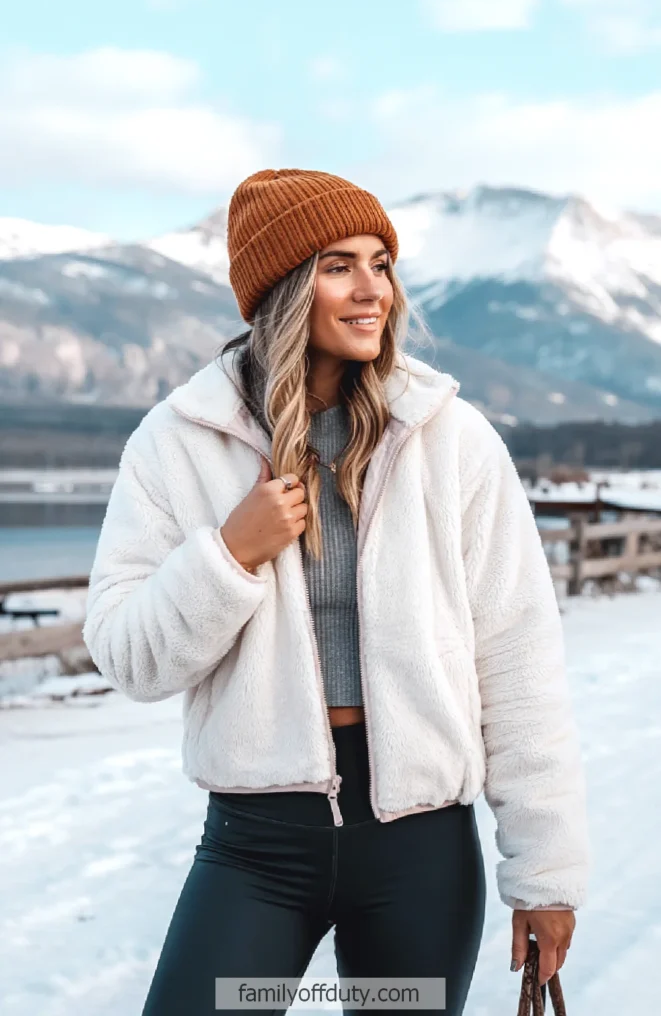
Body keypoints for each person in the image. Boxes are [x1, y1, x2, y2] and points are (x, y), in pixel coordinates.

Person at [83, 168, 590, 1016]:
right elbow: (129, 657)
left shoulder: (448, 439)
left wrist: (545, 874)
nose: (372, 291)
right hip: (256, 847)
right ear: (282, 287)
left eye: (382, 263)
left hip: (420, 851)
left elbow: (518, 663)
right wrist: (229, 557)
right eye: (337, 265)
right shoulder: (179, 440)